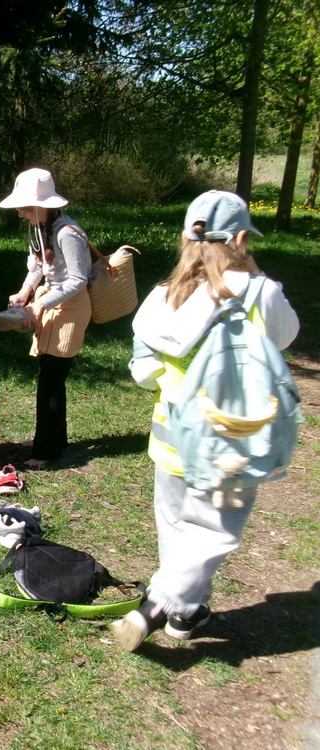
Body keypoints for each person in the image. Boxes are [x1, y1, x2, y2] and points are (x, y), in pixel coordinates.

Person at [110, 190, 299, 651]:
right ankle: (159, 605)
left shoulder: (161, 298)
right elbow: (285, 336)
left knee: (176, 526)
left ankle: (186, 612)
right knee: (214, 530)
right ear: (241, 239)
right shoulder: (261, 293)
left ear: (185, 238)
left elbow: (143, 373)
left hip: (172, 435)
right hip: (232, 439)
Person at [0, 168, 92, 469]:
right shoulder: (39, 228)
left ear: (42, 206)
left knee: (51, 379)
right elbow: (38, 266)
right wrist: (25, 292)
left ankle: (46, 451)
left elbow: (78, 280)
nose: (21, 213)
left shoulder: (66, 232)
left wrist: (40, 304)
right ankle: (54, 440)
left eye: (25, 207)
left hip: (71, 309)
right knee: (50, 377)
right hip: (51, 303)